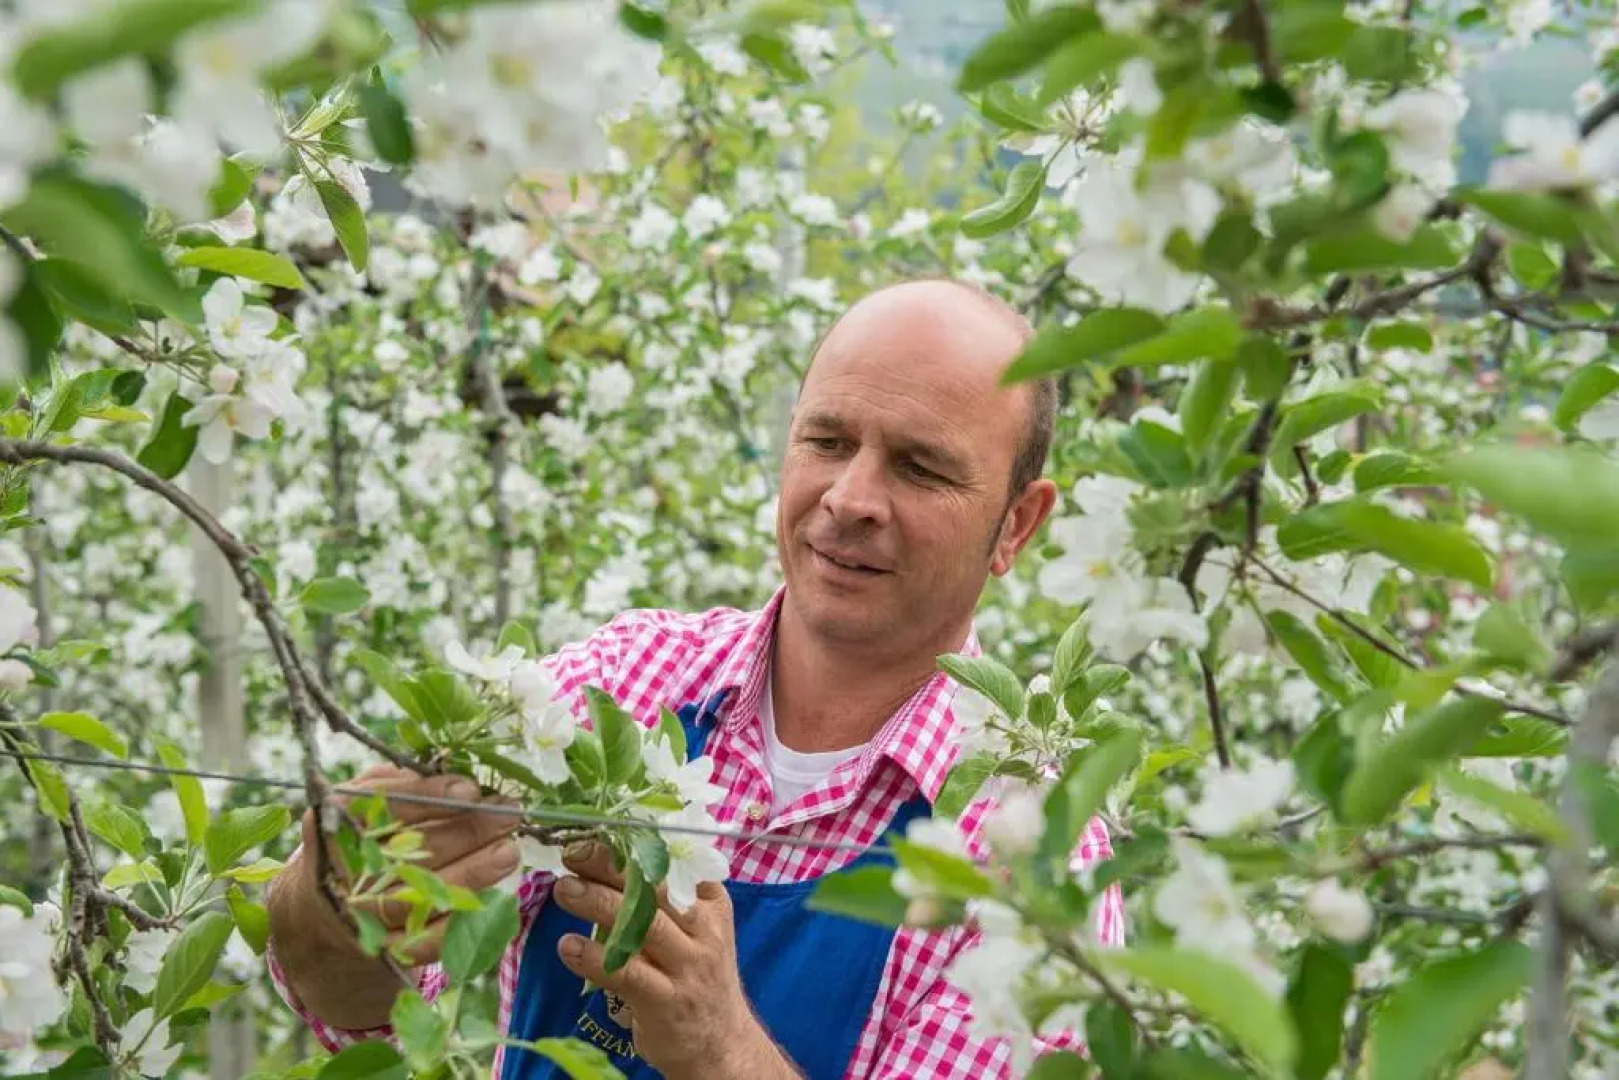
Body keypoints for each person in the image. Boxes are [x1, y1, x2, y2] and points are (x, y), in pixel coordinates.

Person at [265, 278, 1125, 1079]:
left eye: (919, 467)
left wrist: (721, 1052)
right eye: (826, 440)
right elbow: (357, 1005)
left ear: (1015, 524)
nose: (850, 497)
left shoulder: (1033, 855)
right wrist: (329, 905)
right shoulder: (630, 681)